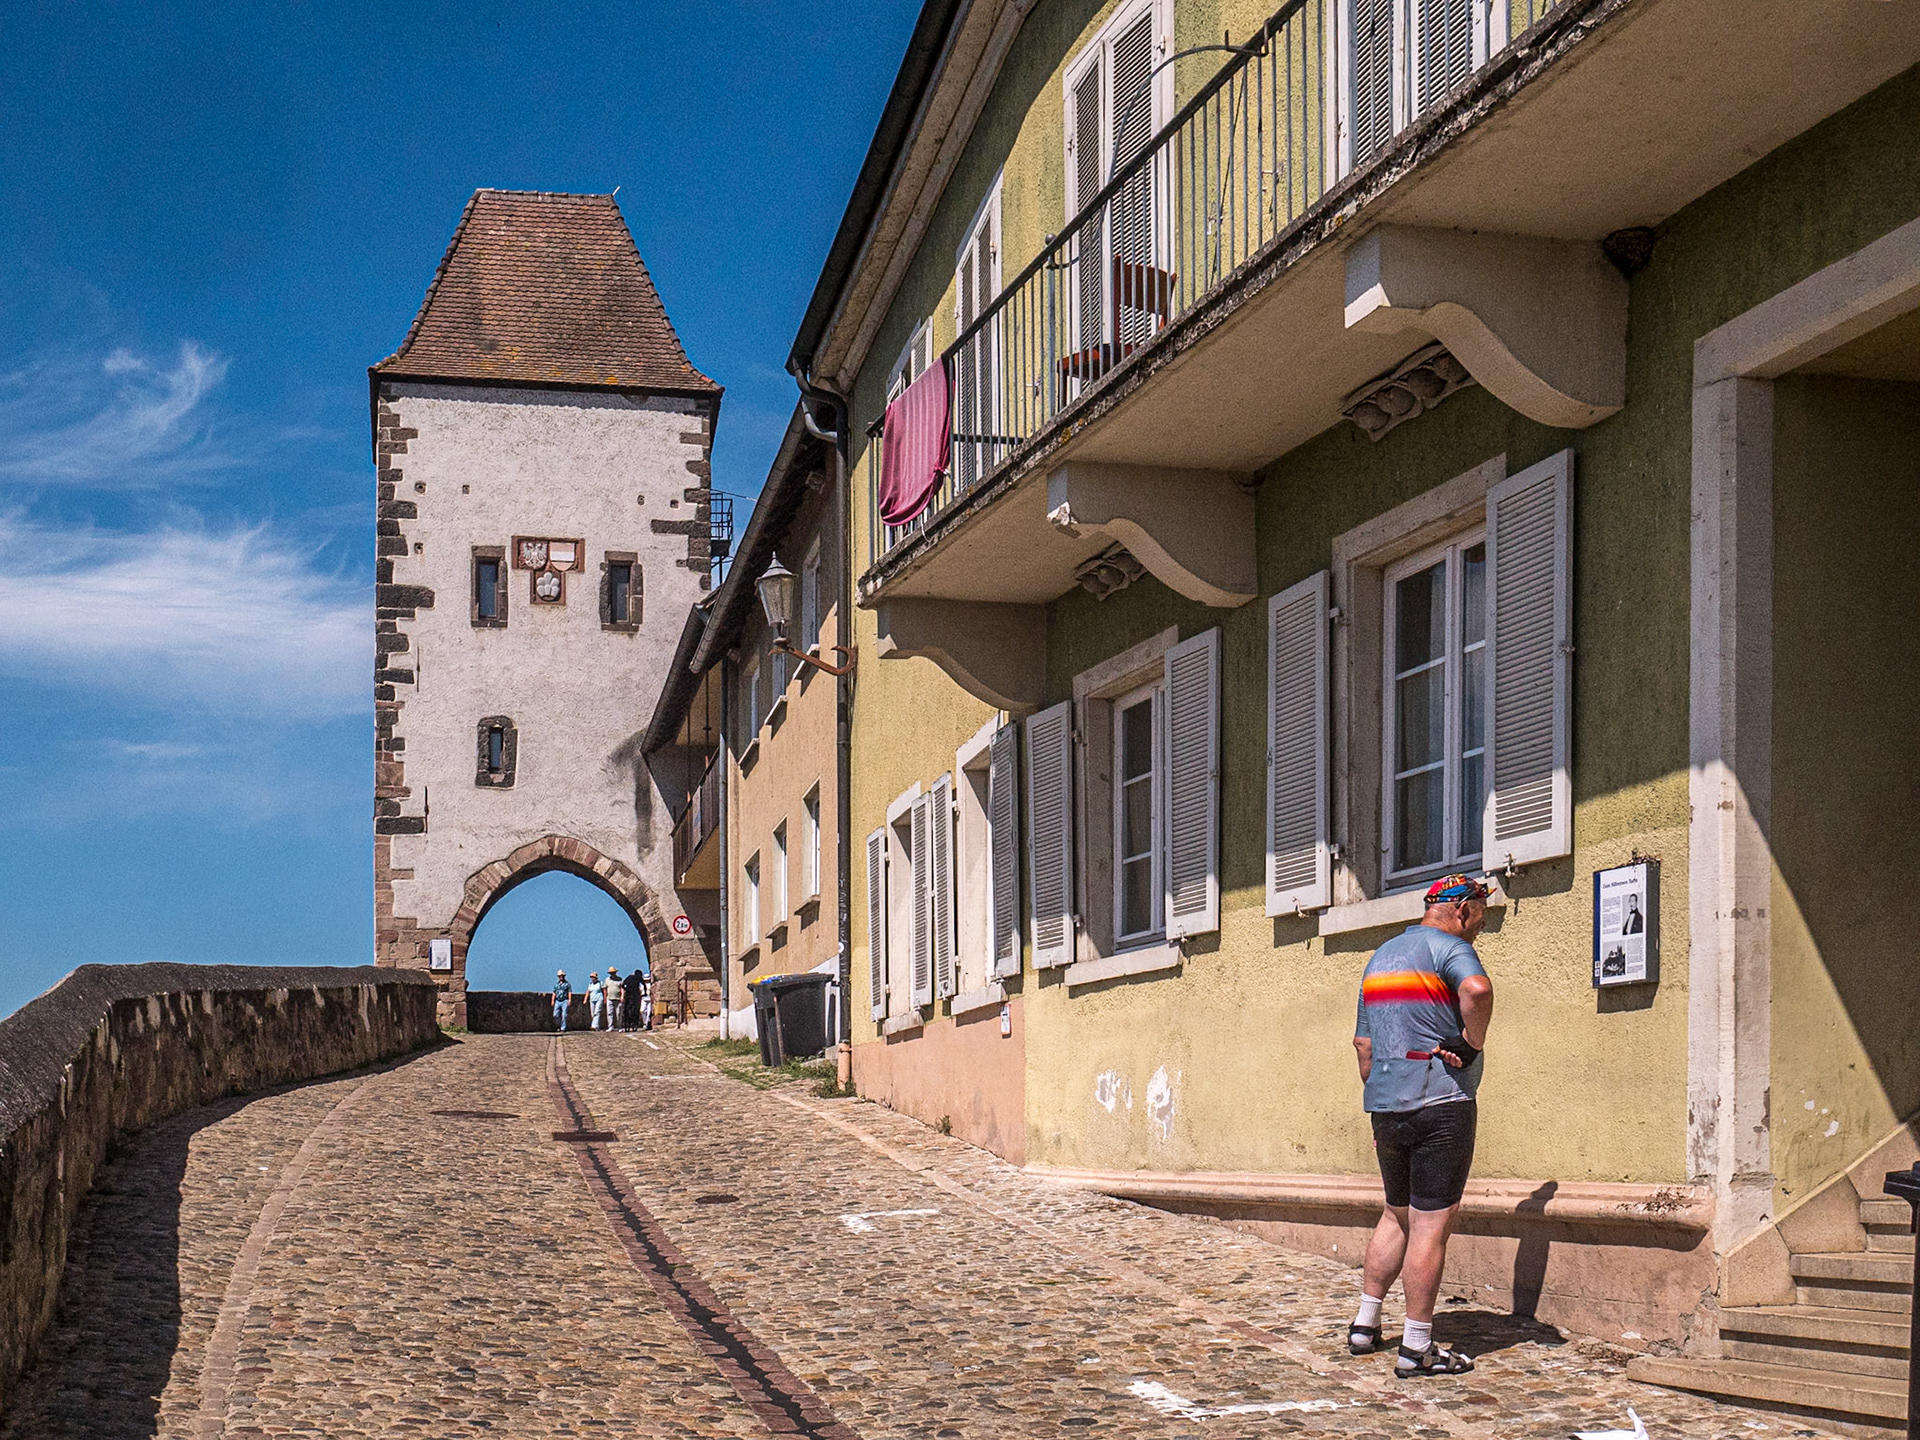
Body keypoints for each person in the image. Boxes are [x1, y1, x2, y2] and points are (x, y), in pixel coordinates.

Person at [1348, 873, 1495, 1378]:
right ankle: (1416, 1348)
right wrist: (1471, 1044)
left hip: (1387, 1106)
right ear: (1462, 909)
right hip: (1441, 1102)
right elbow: (1477, 989)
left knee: (1395, 1215)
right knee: (1430, 1225)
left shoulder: (1380, 957)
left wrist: (1386, 1094)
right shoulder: (1450, 949)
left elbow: (1364, 1046)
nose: (1482, 925)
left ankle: (1365, 1325)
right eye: (1481, 914)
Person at [621, 967, 644, 1031]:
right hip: (635, 994)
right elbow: (644, 985)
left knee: (626, 1007)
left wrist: (626, 989)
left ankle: (626, 1022)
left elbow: (622, 985)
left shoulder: (629, 977)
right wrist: (644, 993)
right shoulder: (639, 978)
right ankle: (635, 1022)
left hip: (628, 994)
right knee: (636, 1009)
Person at [605, 968, 623, 1032]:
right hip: (609, 998)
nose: (612, 974)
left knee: (618, 1013)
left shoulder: (620, 979)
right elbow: (605, 989)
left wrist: (622, 996)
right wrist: (605, 997)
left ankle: (619, 1027)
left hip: (618, 999)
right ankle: (610, 1026)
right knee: (609, 1013)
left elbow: (622, 988)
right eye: (611, 973)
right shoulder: (607, 980)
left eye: (613, 972)